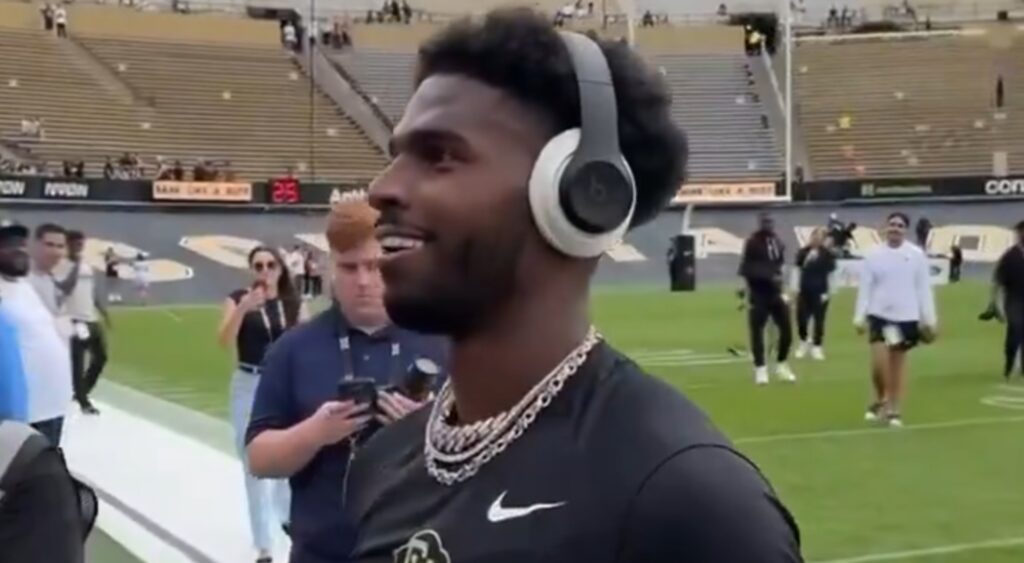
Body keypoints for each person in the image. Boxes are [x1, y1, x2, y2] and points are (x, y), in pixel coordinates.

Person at [345, 10, 801, 562]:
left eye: (440, 155)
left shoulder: (685, 500)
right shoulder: (382, 462)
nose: (382, 187)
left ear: (582, 195)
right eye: (396, 156)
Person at [246, 196, 449, 563]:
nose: (364, 281)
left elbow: (490, 453)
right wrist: (316, 432)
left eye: (374, 266)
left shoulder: (442, 342)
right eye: (350, 267)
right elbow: (260, 459)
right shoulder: (293, 349)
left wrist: (425, 428)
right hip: (323, 553)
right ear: (329, 268)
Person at [218, 246, 302, 563]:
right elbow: (223, 339)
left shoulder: (293, 303)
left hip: (281, 383)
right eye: (258, 266)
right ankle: (263, 545)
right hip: (248, 383)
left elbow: (303, 343)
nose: (264, 271)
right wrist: (243, 309)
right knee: (252, 462)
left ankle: (287, 518)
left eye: (270, 265)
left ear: (280, 268)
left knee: (286, 457)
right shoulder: (238, 297)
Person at [854, 212, 938, 427]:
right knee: (878, 365)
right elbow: (865, 287)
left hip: (905, 317)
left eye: (900, 225)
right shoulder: (873, 254)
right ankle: (881, 397)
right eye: (892, 224)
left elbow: (923, 288)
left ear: (905, 230)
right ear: (885, 227)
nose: (895, 228)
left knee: (897, 365)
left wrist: (929, 318)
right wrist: (859, 316)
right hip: (879, 315)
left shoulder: (916, 255)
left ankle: (894, 409)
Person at [0, 223, 73, 446]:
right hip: (20, 415)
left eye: (22, 245)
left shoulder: (25, 285)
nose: (19, 251)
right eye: (9, 245)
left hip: (51, 407)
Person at [740, 212, 797, 384]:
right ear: (760, 223)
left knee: (786, 330)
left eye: (771, 222)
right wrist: (766, 276)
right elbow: (747, 268)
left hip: (775, 292)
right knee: (757, 331)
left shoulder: (777, 242)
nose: (769, 225)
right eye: (766, 222)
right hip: (759, 293)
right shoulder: (752, 243)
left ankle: (781, 364)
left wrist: (782, 285)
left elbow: (779, 265)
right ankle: (760, 368)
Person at [59, 231, 110, 415]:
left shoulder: (87, 266)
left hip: (92, 318)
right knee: (77, 362)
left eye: (81, 243)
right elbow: (62, 290)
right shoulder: (62, 266)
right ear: (68, 244)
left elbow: (91, 292)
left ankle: (82, 391)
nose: (79, 247)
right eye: (75, 243)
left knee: (101, 357)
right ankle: (83, 401)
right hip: (75, 320)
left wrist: (103, 311)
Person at [791, 227, 837, 360]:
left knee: (819, 320)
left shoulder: (827, 255)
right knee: (801, 319)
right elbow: (796, 271)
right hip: (804, 291)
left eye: (819, 237)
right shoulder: (803, 252)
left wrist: (828, 292)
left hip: (820, 292)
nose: (815, 239)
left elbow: (832, 275)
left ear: (822, 240)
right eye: (814, 236)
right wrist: (795, 289)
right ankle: (803, 342)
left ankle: (817, 346)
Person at [990, 220, 1024, 379]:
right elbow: (997, 280)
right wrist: (995, 303)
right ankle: (1009, 365)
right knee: (1015, 333)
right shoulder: (1010, 256)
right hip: (1014, 301)